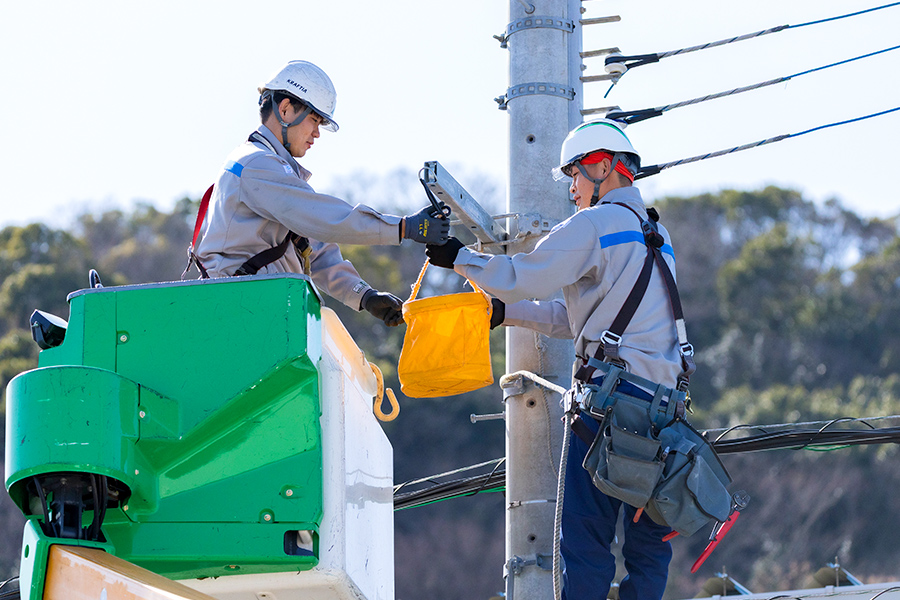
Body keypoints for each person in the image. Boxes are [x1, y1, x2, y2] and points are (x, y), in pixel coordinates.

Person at [424, 119, 686, 600]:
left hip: (610, 405)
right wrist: (509, 314)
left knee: (585, 545)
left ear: (603, 166)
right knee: (649, 550)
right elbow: (587, 319)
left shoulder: (593, 225)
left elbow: (520, 275)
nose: (571, 189)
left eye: (575, 175)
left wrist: (458, 256)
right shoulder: (657, 236)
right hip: (665, 414)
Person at [192, 60, 449, 326]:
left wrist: (365, 296)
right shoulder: (256, 164)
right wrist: (404, 227)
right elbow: (325, 220)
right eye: (314, 120)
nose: (317, 133)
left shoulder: (276, 170)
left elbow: (314, 249)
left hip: (257, 308)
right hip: (234, 310)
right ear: (285, 110)